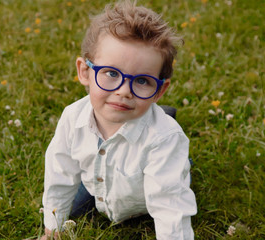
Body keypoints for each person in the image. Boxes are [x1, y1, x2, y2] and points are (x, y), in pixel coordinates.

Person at [41, 0, 197, 239]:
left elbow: (171, 208)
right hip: (98, 185)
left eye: (142, 81)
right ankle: (159, 109)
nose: (124, 91)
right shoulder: (72, 118)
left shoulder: (164, 140)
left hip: (143, 196)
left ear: (159, 90)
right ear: (85, 72)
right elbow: (60, 173)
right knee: (70, 208)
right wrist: (53, 229)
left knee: (175, 174)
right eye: (111, 74)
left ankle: (174, 143)